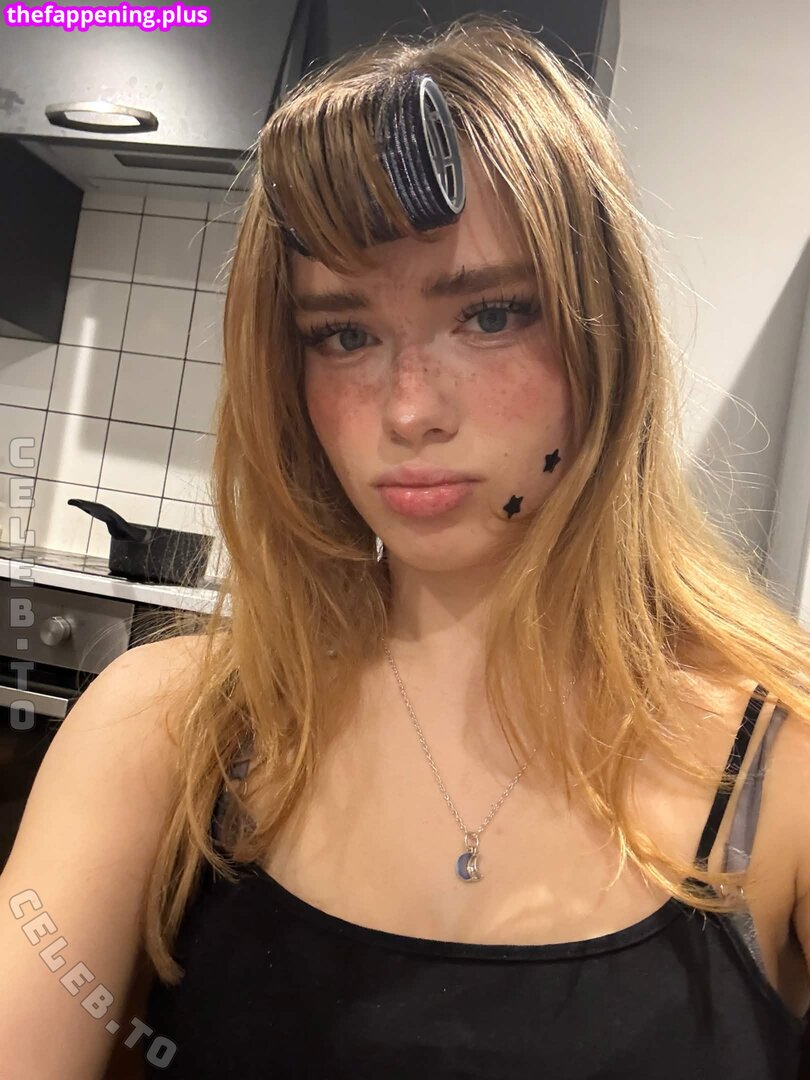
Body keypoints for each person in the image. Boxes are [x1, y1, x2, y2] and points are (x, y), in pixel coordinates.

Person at [2, 13, 810, 1079]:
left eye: (491, 316)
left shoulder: (781, 771)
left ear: (603, 335)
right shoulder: (163, 733)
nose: (409, 409)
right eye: (344, 335)